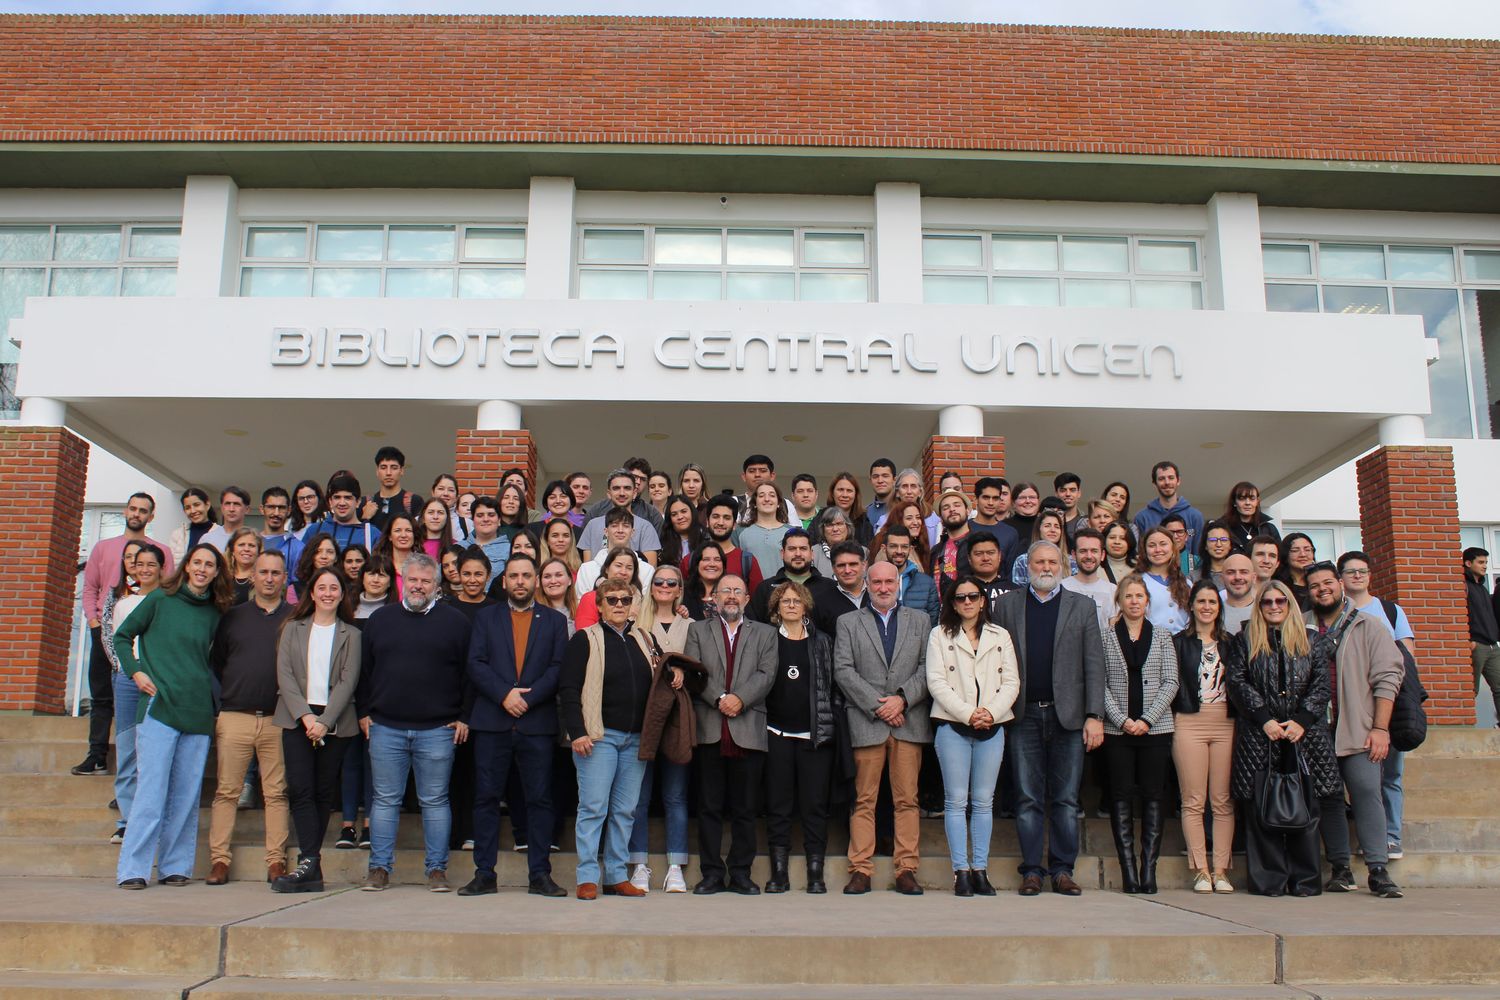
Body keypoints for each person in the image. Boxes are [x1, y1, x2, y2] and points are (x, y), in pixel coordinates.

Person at [112, 543, 233, 888]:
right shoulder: (161, 599)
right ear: (187, 565)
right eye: (197, 562)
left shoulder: (215, 611)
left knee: (185, 794)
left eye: (209, 565)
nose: (202, 569)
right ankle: (133, 870)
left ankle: (174, 866)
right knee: (151, 791)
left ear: (216, 572)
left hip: (197, 709)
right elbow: (122, 637)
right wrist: (136, 672)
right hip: (159, 706)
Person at [991, 541, 1106, 897]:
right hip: (1023, 714)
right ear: (1028, 566)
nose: (1045, 567)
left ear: (1062, 565)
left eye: (1051, 561)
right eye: (1039, 561)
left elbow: (1094, 663)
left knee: (1066, 798)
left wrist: (1094, 715)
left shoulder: (1082, 606)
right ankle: (1031, 871)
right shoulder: (1007, 605)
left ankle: (1062, 869)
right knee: (1027, 797)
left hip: (1068, 715)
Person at [356, 554, 472, 892]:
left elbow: (469, 675)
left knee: (435, 801)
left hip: (438, 729)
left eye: (425, 580)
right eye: (413, 580)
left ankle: (436, 870)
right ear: (402, 581)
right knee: (385, 800)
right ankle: (379, 868)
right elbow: (364, 672)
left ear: (437, 584)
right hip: (385, 726)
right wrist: (364, 711)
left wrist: (464, 715)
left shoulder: (456, 622)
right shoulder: (380, 620)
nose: (418, 586)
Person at [461, 554, 570, 898]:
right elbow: (475, 663)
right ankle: (484, 873)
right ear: (504, 580)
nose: (520, 581)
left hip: (536, 723)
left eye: (526, 575)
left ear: (535, 581)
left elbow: (557, 668)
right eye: (514, 576)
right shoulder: (486, 618)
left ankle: (539, 874)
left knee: (539, 799)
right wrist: (504, 695)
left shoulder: (553, 621)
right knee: (487, 798)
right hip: (493, 721)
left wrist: (528, 698)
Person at [1226, 579, 1341, 897]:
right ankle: (1269, 881)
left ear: (1290, 605)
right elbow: (1236, 682)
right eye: (1267, 602)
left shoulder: (1312, 640)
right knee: (1261, 810)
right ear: (1259, 606)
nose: (1274, 607)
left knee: (1306, 809)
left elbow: (1321, 685)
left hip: (1304, 735)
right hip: (1259, 735)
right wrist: (1264, 719)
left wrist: (1302, 721)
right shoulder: (1245, 641)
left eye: (1281, 601)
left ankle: (1304, 880)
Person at [1304, 562, 1405, 899]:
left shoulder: (1368, 624)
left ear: (1340, 584)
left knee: (1365, 792)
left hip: (1359, 728)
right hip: (1317, 730)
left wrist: (1380, 727)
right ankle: (1341, 868)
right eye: (1315, 585)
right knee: (1329, 799)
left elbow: (1388, 678)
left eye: (1328, 582)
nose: (1322, 589)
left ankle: (1378, 869)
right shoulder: (1302, 626)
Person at [833, 560, 934, 896]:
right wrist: (880, 705)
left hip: (908, 720)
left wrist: (902, 700)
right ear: (866, 583)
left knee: (907, 800)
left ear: (899, 584)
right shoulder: (848, 622)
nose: (883, 587)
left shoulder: (921, 621)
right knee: (864, 800)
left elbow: (926, 667)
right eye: (876, 582)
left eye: (890, 581)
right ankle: (860, 869)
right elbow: (843, 670)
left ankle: (906, 869)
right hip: (867, 721)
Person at [558, 576, 660, 899]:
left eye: (624, 600)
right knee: (593, 808)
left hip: (635, 739)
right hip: (598, 737)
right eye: (611, 600)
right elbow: (569, 689)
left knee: (625, 810)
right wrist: (577, 732)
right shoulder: (584, 639)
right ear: (599, 606)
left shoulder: (644, 639)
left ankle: (616, 875)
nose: (619, 605)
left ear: (632, 605)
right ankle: (587, 875)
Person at [267, 565, 361, 893]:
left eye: (334, 588)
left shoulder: (352, 634)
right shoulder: (292, 628)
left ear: (342, 594)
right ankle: (310, 861)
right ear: (312, 592)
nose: (327, 593)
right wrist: (307, 718)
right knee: (300, 790)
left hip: (334, 723)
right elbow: (285, 677)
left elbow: (348, 681)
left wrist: (324, 721)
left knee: (323, 793)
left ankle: (310, 865)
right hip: (297, 720)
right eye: (321, 587)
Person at [926, 575, 1020, 896]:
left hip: (992, 726)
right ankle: (960, 871)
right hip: (953, 725)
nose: (967, 602)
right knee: (955, 801)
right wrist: (968, 713)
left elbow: (1011, 682)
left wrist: (990, 713)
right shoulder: (939, 635)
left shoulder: (1001, 635)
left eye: (973, 596)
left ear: (983, 600)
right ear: (952, 603)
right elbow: (936, 681)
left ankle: (980, 869)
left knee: (983, 802)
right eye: (960, 597)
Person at [205, 551, 295, 888]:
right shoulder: (233, 617)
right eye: (263, 572)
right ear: (252, 577)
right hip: (235, 716)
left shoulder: (295, 617)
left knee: (275, 793)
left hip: (277, 719)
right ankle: (219, 860)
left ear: (285, 578)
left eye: (276, 573)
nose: (269, 578)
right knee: (227, 791)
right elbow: (218, 662)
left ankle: (275, 861)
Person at [686, 576, 777, 894]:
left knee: (745, 808)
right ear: (714, 597)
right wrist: (719, 699)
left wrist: (740, 699)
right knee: (708, 807)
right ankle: (711, 873)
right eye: (725, 591)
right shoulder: (697, 630)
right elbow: (693, 671)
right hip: (710, 728)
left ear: (748, 598)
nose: (732, 597)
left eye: (738, 591)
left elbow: (767, 673)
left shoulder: (766, 633)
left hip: (748, 728)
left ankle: (740, 872)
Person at [76, 492, 175, 777]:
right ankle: (96, 755)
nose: (137, 514)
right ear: (125, 511)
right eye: (133, 508)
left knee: (135, 698)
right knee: (102, 695)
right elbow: (91, 587)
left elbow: (166, 589)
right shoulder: (103, 548)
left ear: (151, 516)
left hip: (145, 640)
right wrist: (94, 622)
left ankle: (134, 769)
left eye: (143, 510)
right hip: (105, 631)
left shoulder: (160, 552)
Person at [1100, 574, 1179, 895]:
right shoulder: (1105, 637)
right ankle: (1128, 871)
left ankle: (1149, 869)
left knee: (1153, 797)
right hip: (1117, 731)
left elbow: (1171, 681)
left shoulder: (1162, 636)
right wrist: (1121, 719)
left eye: (1139, 596)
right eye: (1128, 596)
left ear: (1148, 601)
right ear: (1119, 600)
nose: (1134, 601)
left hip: (1155, 730)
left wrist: (1147, 719)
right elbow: (1099, 682)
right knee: (1120, 798)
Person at [761, 580, 837, 894]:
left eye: (796, 600)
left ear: (805, 606)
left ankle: (815, 873)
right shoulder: (767, 640)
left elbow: (832, 684)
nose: (791, 605)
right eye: (785, 601)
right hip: (776, 733)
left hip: (813, 736)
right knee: (778, 805)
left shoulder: (822, 642)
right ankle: (779, 873)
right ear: (776, 608)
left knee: (814, 805)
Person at [1339, 550, 1416, 859]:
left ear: (1370, 576)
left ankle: (1392, 836)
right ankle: (1371, 836)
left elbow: (1406, 659)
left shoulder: (1390, 611)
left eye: (1362, 571)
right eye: (1350, 571)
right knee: (1361, 779)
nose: (1357, 576)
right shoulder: (1338, 613)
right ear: (1341, 578)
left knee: (1391, 775)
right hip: (1352, 708)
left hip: (1388, 703)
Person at [627, 564, 695, 894]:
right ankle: (639, 863)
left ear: (680, 589)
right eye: (659, 582)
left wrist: (682, 668)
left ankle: (675, 865)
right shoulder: (636, 623)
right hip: (644, 717)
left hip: (677, 720)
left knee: (676, 796)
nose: (665, 586)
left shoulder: (691, 625)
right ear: (650, 587)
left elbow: (699, 665)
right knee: (639, 798)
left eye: (672, 582)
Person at [1173, 579, 1237, 894]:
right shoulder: (1178, 642)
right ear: (1192, 606)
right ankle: (1200, 870)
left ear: (1219, 607)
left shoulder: (1231, 643)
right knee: (1193, 800)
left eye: (1212, 602)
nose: (1207, 607)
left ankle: (1222, 870)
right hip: (1189, 721)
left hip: (1225, 722)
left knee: (1222, 800)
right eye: (1201, 602)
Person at [101, 542, 164, 844]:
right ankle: (127, 820)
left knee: (155, 749)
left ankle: (153, 818)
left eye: (151, 564)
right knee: (127, 748)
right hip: (128, 677)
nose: (145, 569)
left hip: (160, 675)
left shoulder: (169, 601)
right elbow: (117, 643)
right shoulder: (124, 603)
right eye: (140, 564)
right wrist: (127, 670)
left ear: (162, 569)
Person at [747, 528, 839, 626]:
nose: (798, 554)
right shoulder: (765, 588)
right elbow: (754, 628)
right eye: (792, 549)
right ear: (782, 553)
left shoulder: (829, 587)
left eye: (803, 548)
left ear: (812, 554)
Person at [581, 466, 664, 550]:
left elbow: (650, 563)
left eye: (627, 488)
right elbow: (587, 562)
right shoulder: (592, 525)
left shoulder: (646, 527)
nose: (622, 493)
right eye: (616, 488)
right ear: (609, 494)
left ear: (634, 493)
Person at [1131, 461, 1205, 550]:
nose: (1167, 482)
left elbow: (1198, 553)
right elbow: (1140, 553)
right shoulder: (1142, 518)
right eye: (1161, 479)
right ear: (1155, 483)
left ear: (1178, 481)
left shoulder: (1195, 516)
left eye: (1171, 478)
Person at [576, 547, 648, 630]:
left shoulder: (642, 600)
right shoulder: (591, 598)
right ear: (607, 569)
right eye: (618, 566)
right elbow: (585, 635)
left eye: (629, 568)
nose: (623, 572)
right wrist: (625, 614)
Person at [307, 474, 382, 554]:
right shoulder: (314, 530)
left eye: (347, 498)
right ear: (330, 501)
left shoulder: (372, 534)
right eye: (337, 497)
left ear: (358, 502)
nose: (342, 503)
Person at [883, 525, 940, 628]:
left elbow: (933, 623)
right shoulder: (874, 581)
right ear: (884, 548)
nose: (899, 551)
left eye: (904, 547)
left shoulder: (927, 583)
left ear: (910, 549)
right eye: (893, 546)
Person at [1467, 547, 1500, 726]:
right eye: (1480, 562)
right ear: (1468, 563)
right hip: (1476, 644)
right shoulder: (1464, 586)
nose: (1485, 566)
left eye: (1486, 562)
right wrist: (1468, 640)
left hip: (1492, 646)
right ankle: (1467, 726)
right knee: (1471, 688)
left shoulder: (1482, 587)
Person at [1137, 526, 1190, 633]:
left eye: (1163, 544)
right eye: (1152, 545)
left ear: (1172, 548)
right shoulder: (1137, 582)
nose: (1158, 550)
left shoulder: (1186, 583)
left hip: (1182, 644)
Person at [1060, 528, 1116, 629]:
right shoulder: (1061, 587)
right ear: (1073, 555)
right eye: (1083, 551)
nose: (1089, 556)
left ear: (1102, 555)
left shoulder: (1113, 591)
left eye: (1094, 551)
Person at [816, 541, 871, 637]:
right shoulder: (821, 603)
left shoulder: (878, 595)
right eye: (841, 565)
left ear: (864, 565)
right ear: (833, 568)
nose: (847, 570)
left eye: (853, 564)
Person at [362, 445, 423, 531]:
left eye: (394, 468)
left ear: (401, 471)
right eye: (383, 467)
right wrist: (365, 518)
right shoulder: (365, 503)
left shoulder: (414, 501)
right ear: (377, 471)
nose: (388, 473)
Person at [736, 481, 790, 577]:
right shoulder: (740, 532)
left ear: (779, 503)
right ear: (755, 503)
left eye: (772, 495)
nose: (767, 499)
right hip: (751, 590)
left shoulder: (791, 532)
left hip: (783, 590)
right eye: (761, 496)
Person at [1010, 508, 1074, 587]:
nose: (1053, 530)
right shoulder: (1023, 561)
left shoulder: (1072, 562)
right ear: (1038, 530)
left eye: (1057, 527)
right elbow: (1018, 593)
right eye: (1047, 526)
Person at [928, 488, 975, 591]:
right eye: (946, 507)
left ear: (968, 511)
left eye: (957, 505)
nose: (952, 509)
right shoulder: (935, 551)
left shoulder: (977, 544)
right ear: (940, 517)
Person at [257, 487, 304, 578]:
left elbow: (297, 586)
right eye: (271, 507)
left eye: (281, 508)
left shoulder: (298, 547)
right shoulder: (251, 543)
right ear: (262, 509)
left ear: (289, 510)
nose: (276, 513)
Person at [1222, 481, 1279, 554]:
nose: (1247, 503)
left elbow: (1278, 556)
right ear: (1234, 502)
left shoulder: (1269, 529)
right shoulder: (1224, 528)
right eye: (1242, 498)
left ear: (1257, 501)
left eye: (1252, 498)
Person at [821, 471, 876, 547]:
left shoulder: (863, 522)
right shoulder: (821, 516)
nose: (844, 495)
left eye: (849, 491)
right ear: (832, 493)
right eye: (840, 490)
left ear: (855, 495)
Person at [167, 487, 216, 564]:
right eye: (188, 508)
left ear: (207, 505)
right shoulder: (177, 535)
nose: (193, 511)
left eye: (196, 505)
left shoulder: (221, 533)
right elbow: (171, 565)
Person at [810, 507, 862, 577]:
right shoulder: (813, 552)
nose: (835, 529)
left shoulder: (862, 552)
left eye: (839, 524)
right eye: (830, 525)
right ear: (823, 529)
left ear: (848, 526)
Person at [659, 494, 706, 566]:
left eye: (684, 511)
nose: (680, 517)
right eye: (674, 514)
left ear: (692, 512)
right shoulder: (662, 543)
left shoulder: (706, 538)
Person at [200, 487, 251, 552]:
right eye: (227, 504)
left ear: (247, 509)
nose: (231, 509)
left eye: (236, 504)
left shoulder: (253, 540)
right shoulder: (208, 539)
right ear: (222, 508)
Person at [684, 542, 726, 621]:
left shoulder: (733, 594)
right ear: (697, 564)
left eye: (717, 560)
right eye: (706, 559)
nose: (712, 564)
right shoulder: (683, 595)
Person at [1278, 532, 1317, 612]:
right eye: (1295, 550)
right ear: (1285, 554)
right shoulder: (1277, 583)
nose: (1303, 554)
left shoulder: (1319, 580)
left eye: (1307, 550)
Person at [1219, 553, 1257, 635]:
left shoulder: (1265, 611)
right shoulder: (1214, 613)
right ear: (1222, 579)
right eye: (1231, 572)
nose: (1237, 577)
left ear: (1254, 578)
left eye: (1244, 572)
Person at [225, 527, 263, 605]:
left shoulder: (264, 579)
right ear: (232, 550)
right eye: (241, 545)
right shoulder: (222, 577)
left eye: (251, 545)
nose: (246, 549)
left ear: (259, 552)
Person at [538, 557, 578, 630]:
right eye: (547, 577)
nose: (553, 581)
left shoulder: (580, 611)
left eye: (558, 575)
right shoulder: (534, 614)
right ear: (540, 582)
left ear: (569, 580)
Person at [430, 473, 471, 541]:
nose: (445, 493)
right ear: (433, 492)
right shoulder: (419, 520)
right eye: (441, 489)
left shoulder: (467, 524)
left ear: (456, 497)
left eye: (451, 490)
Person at [1160, 513, 1198, 581]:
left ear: (1186, 536)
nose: (1175, 536)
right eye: (1171, 532)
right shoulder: (1156, 560)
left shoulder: (1196, 561)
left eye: (1180, 532)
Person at [1197, 520, 1234, 587]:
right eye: (1213, 540)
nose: (1218, 544)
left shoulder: (1238, 576)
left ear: (1230, 545)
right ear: (1205, 545)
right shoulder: (1194, 577)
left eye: (1224, 540)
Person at [865, 458, 896, 527]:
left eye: (885, 476)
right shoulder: (864, 514)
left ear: (894, 480)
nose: (880, 480)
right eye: (875, 476)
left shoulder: (905, 508)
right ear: (870, 481)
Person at [1054, 472, 1086, 538]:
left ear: (1079, 493)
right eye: (1063, 490)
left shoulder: (1086, 522)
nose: (1068, 494)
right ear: (1056, 494)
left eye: (1072, 490)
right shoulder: (1047, 520)